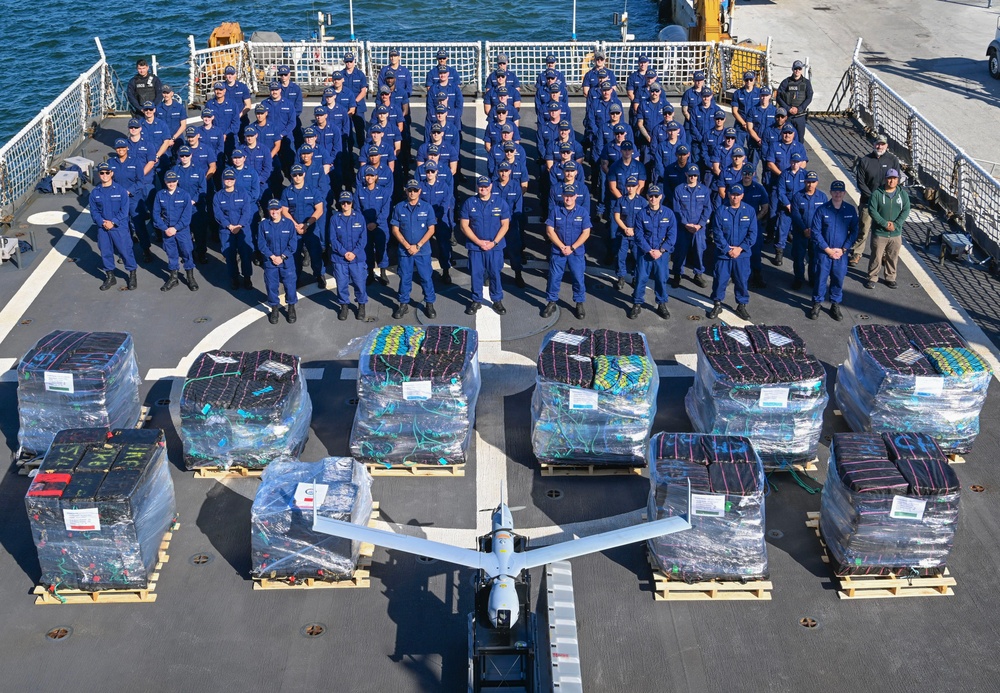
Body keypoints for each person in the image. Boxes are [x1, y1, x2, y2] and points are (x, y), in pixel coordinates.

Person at [460, 176, 511, 315]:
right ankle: (476, 300)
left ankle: (497, 300)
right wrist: (478, 242)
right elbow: (464, 226)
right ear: (477, 187)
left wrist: (493, 242)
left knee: (495, 273)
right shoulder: (469, 203)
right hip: (476, 247)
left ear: (491, 186)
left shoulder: (500, 203)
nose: (484, 188)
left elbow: (505, 225)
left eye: (486, 186)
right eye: (481, 186)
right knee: (476, 274)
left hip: (495, 247)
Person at [810, 180, 858, 320]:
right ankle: (817, 303)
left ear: (844, 193)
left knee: (838, 279)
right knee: (820, 279)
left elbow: (855, 230)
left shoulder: (850, 210)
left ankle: (835, 304)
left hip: (841, 254)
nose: (838, 194)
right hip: (824, 253)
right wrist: (827, 249)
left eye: (840, 191)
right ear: (831, 192)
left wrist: (844, 249)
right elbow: (816, 232)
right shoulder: (822, 210)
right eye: (835, 191)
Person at [708, 184, 757, 320]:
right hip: (724, 254)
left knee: (742, 280)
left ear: (742, 196)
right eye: (733, 194)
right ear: (728, 194)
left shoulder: (750, 211)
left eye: (738, 195)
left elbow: (752, 234)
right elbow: (717, 233)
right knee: (720, 280)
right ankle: (717, 304)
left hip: (742, 255)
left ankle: (741, 305)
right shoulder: (721, 211)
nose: (735, 197)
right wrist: (728, 249)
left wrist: (740, 249)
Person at [389, 179, 437, 319]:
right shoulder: (399, 207)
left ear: (419, 191)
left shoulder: (427, 208)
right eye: (410, 190)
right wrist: (407, 245)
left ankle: (429, 303)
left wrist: (418, 245)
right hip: (405, 251)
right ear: (406, 191)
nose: (412, 192)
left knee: (426, 278)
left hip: (422, 250)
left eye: (415, 190)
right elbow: (395, 229)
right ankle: (403, 304)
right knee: (405, 278)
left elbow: (431, 229)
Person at [542, 185, 591, 320]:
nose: (568, 198)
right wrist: (562, 246)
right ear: (563, 196)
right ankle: (551, 302)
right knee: (554, 277)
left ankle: (579, 302)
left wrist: (572, 247)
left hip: (576, 252)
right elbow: (549, 231)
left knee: (578, 278)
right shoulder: (556, 211)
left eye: (571, 195)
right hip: (559, 251)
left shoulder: (582, 212)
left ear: (576, 196)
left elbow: (586, 232)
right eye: (566, 195)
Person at [851, 134, 901, 266]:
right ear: (873, 144)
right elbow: (860, 182)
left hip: (885, 204)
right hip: (867, 202)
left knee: (883, 231)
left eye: (882, 144)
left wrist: (884, 198)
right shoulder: (865, 161)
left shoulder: (893, 160)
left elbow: (896, 180)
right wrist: (873, 197)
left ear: (887, 146)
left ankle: (884, 254)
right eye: (877, 144)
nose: (879, 146)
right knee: (863, 228)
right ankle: (857, 252)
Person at [629, 185, 677, 319]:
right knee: (640, 279)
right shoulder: (641, 214)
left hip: (661, 254)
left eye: (656, 196)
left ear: (661, 197)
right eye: (651, 196)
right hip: (645, 253)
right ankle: (637, 303)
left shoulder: (669, 214)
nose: (653, 198)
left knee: (661, 279)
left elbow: (672, 235)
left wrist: (661, 250)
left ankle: (661, 303)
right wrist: (649, 250)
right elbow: (638, 235)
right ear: (647, 197)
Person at [90, 162, 138, 291]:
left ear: (112, 173)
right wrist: (102, 222)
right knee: (105, 252)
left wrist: (113, 222)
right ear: (99, 174)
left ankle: (132, 274)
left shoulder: (121, 191)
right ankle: (110, 276)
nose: (104, 175)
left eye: (107, 172)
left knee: (125, 251)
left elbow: (124, 210)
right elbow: (94, 211)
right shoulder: (95, 193)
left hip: (119, 227)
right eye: (102, 173)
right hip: (103, 228)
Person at [281, 164, 326, 288]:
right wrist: (296, 225)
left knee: (315, 254)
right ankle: (297, 278)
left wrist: (306, 224)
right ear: (291, 176)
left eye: (300, 174)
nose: (297, 177)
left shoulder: (313, 190)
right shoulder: (287, 192)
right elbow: (284, 210)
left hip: (311, 228)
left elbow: (319, 210)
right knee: (295, 255)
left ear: (304, 174)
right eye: (295, 175)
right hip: (294, 230)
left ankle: (319, 275)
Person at [865, 169, 910, 290]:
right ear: (885, 179)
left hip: (896, 233)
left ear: (898, 180)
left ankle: (890, 278)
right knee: (876, 256)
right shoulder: (877, 194)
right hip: (880, 232)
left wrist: (897, 224)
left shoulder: (903, 195)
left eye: (894, 178)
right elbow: (872, 210)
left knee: (893, 256)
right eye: (890, 178)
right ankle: (872, 277)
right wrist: (884, 223)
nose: (892, 181)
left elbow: (906, 210)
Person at [153, 170, 198, 292]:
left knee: (187, 252)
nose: (171, 183)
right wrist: (164, 228)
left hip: (182, 230)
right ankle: (173, 278)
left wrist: (175, 228)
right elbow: (156, 215)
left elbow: (187, 216)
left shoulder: (184, 195)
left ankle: (190, 277)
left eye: (173, 181)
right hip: (167, 230)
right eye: (169, 181)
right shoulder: (160, 195)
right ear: (165, 181)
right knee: (171, 254)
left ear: (177, 181)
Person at [327, 192, 369, 320]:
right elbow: (333, 239)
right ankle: (344, 305)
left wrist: (354, 252)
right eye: (343, 202)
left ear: (352, 203)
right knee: (341, 283)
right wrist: (344, 253)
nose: (345, 205)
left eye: (348, 202)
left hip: (357, 258)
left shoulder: (360, 218)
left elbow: (363, 239)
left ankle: (361, 305)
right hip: (340, 259)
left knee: (360, 283)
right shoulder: (334, 219)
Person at [213, 168, 255, 290]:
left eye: (231, 179)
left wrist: (239, 225)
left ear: (235, 180)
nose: (229, 181)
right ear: (223, 180)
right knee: (229, 256)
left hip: (242, 229)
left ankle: (247, 278)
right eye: (227, 179)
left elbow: (247, 211)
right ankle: (234, 278)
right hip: (226, 230)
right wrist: (229, 226)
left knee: (246, 255)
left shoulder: (243, 193)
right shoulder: (218, 196)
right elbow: (218, 214)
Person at [257, 199, 299, 324]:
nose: (274, 212)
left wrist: (282, 256)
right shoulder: (263, 225)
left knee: (290, 285)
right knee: (271, 286)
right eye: (271, 209)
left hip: (287, 262)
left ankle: (291, 307)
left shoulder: (289, 224)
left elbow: (293, 243)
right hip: (271, 262)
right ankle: (274, 308)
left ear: (281, 209)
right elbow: (261, 243)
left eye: (276, 209)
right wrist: (272, 256)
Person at [671, 164, 711, 288]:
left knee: (699, 251)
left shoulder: (704, 190)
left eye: (695, 175)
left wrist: (700, 225)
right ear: (686, 174)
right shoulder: (679, 189)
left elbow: (707, 208)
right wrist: (685, 224)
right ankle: (678, 274)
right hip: (683, 227)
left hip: (698, 228)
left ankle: (698, 274)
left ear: (698, 176)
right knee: (680, 252)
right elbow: (677, 209)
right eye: (691, 175)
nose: (693, 177)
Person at [789, 170, 827, 290]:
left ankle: (813, 278)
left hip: (816, 234)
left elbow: (824, 215)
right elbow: (795, 215)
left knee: (814, 258)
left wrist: (814, 230)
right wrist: (805, 229)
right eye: (808, 182)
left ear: (817, 183)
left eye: (813, 182)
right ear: (804, 182)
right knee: (798, 257)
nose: (810, 184)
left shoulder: (822, 197)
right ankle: (798, 278)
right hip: (800, 233)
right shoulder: (797, 196)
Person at [420, 162, 456, 285]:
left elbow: (445, 204)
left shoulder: (443, 186)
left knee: (443, 246)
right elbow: (419, 204)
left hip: (440, 220)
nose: (430, 174)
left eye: (432, 171)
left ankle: (446, 271)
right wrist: (428, 219)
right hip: (425, 221)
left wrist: (437, 217)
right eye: (428, 171)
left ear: (436, 172)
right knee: (425, 247)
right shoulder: (420, 186)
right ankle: (426, 273)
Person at [493, 161, 526, 287]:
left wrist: (514, 222)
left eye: (506, 171)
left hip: (511, 224)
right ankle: (493, 275)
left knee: (514, 251)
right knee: (495, 252)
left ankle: (518, 274)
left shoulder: (516, 187)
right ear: (498, 172)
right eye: (501, 171)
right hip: (496, 225)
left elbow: (518, 208)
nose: (503, 173)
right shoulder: (493, 186)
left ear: (510, 172)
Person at [611, 175, 647, 291]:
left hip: (637, 234)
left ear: (637, 186)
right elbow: (617, 216)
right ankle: (621, 276)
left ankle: (636, 277)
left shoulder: (642, 202)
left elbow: (645, 219)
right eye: (628, 186)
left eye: (633, 186)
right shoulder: (621, 200)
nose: (630, 188)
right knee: (621, 256)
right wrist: (626, 228)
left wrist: (635, 230)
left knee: (637, 256)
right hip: (623, 233)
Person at [776, 60, 813, 142]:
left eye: (799, 69)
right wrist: (788, 108)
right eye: (796, 69)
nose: (797, 71)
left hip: (800, 116)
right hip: (788, 116)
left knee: (800, 139)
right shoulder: (786, 82)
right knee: (785, 138)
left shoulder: (806, 83)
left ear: (801, 70)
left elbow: (809, 97)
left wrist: (799, 109)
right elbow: (778, 97)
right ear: (792, 69)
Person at [342, 51, 368, 150]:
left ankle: (362, 150)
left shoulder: (360, 75)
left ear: (354, 62)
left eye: (350, 61)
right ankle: (348, 151)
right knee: (346, 130)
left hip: (358, 106)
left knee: (360, 130)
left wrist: (353, 102)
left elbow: (363, 91)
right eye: (347, 61)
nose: (349, 63)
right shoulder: (341, 75)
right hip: (345, 106)